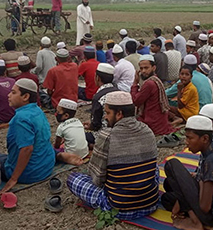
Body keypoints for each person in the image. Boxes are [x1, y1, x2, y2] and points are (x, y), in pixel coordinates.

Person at [67, 91, 159, 219]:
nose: (105, 117)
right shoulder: (147, 130)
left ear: (119, 114)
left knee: (73, 178)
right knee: (155, 168)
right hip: (150, 204)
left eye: (108, 113)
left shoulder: (107, 136)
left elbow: (97, 178)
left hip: (119, 209)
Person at [161, 115, 213, 230]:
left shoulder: (212, 161)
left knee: (172, 164)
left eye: (189, 138)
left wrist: (196, 183)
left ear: (205, 138)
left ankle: (195, 223)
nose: (186, 142)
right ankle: (184, 206)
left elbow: (204, 207)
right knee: (167, 194)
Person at [0, 79, 56, 193]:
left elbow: (26, 149)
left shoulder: (21, 118)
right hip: (47, 166)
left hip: (31, 173)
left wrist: (13, 179)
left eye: (13, 92)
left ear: (25, 96)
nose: (9, 95)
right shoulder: (37, 110)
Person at [131, 55, 175, 136]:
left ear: (153, 68)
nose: (143, 71)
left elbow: (135, 101)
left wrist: (135, 84)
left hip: (152, 124)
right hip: (158, 122)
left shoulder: (149, 83)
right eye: (141, 68)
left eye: (146, 68)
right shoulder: (156, 79)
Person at [83, 63, 119, 145]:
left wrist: (91, 125)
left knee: (77, 136)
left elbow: (96, 125)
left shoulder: (98, 97)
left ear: (97, 78)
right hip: (120, 133)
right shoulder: (118, 92)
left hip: (103, 136)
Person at [54, 99, 89, 166]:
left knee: (55, 153)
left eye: (58, 112)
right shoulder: (78, 122)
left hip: (71, 155)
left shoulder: (61, 127)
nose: (56, 114)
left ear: (66, 115)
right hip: (85, 153)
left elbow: (57, 145)